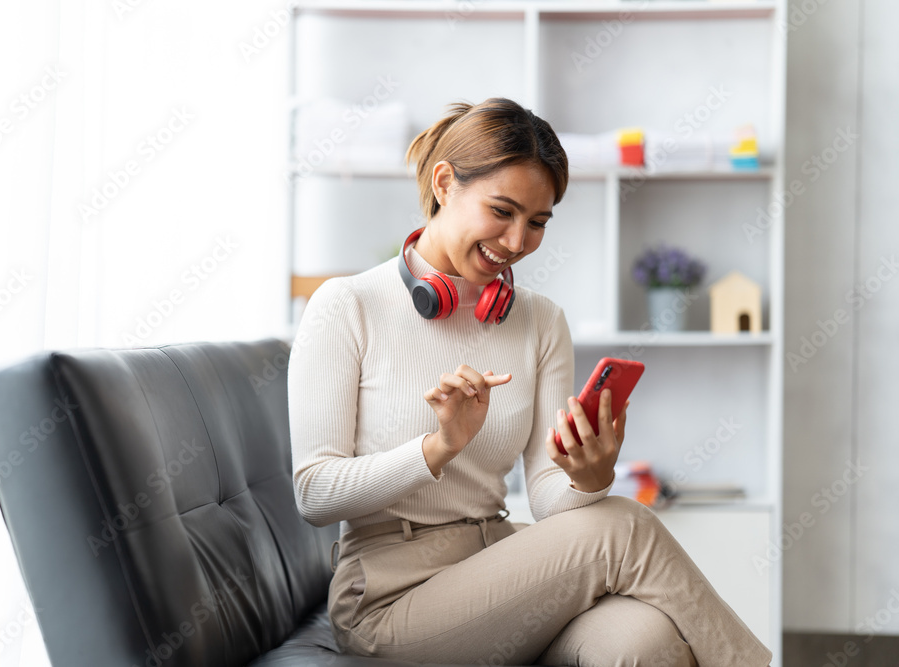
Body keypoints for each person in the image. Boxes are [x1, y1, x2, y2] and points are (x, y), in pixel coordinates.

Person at [287, 97, 772, 667]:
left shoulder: (539, 320)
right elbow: (315, 495)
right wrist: (438, 447)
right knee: (623, 525)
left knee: (645, 641)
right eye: (503, 211)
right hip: (390, 598)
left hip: (502, 568)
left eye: (537, 221)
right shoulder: (348, 306)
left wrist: (589, 476)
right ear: (444, 183)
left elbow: (547, 498)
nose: (517, 242)